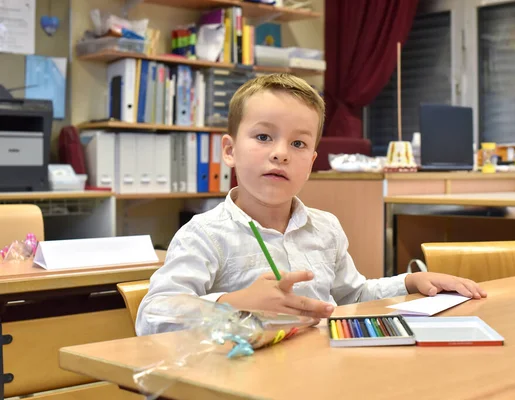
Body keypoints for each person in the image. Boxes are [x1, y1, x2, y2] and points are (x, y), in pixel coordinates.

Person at [136, 74, 487, 336]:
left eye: (299, 144)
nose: (280, 153)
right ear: (229, 150)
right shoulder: (205, 234)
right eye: (263, 137)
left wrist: (411, 281)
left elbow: (353, 296)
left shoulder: (325, 228)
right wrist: (232, 304)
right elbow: (153, 314)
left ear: (312, 161)